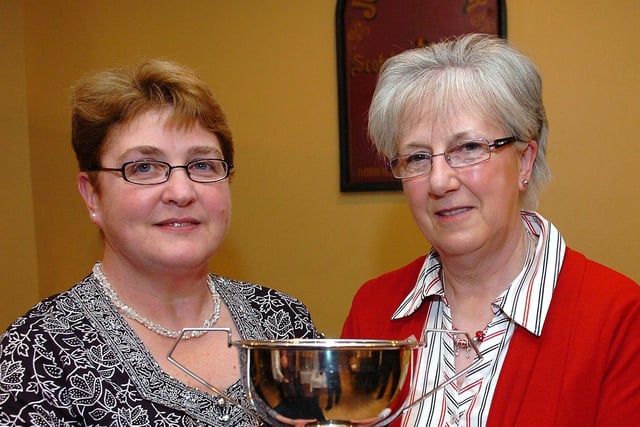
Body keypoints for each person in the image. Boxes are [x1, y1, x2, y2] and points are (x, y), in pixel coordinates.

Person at [341, 34, 640, 426]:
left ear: (526, 161)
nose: (439, 181)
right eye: (417, 157)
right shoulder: (373, 311)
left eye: (468, 148)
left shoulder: (618, 318)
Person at [0, 59, 319, 426]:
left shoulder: (283, 322)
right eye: (143, 168)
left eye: (202, 165)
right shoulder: (38, 356)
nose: (181, 192)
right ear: (92, 196)